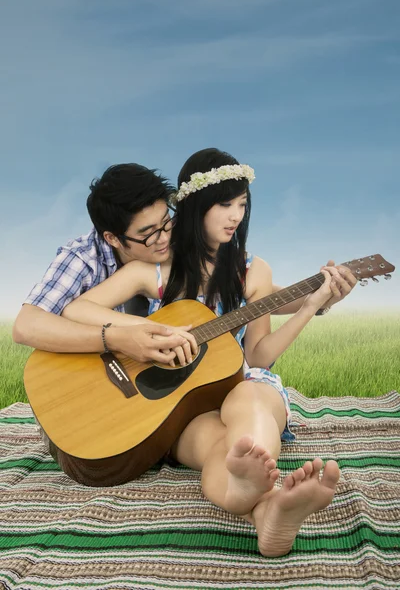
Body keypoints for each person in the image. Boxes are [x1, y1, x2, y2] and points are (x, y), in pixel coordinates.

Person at [60, 148, 357, 557]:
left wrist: (309, 307)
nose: (235, 215)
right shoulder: (156, 271)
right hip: (180, 405)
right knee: (219, 445)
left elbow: (257, 357)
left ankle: (254, 491)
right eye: (224, 204)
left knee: (251, 400)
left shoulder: (255, 272)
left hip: (240, 383)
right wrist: (149, 328)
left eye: (241, 205)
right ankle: (265, 505)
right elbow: (77, 308)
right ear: (196, 205)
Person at [13, 161, 343, 364]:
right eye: (147, 234)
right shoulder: (83, 259)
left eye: (166, 222)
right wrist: (121, 336)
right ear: (112, 237)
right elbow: (26, 326)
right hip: (87, 382)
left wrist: (319, 299)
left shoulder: (170, 250)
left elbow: (246, 292)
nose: (163, 238)